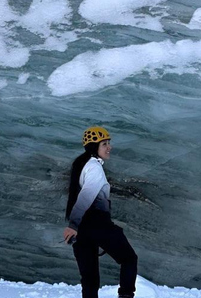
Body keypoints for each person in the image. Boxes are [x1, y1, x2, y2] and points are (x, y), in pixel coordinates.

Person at [63, 126, 138, 298]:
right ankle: (126, 295)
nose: (109, 147)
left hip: (83, 230)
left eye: (109, 143)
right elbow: (86, 197)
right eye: (104, 144)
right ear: (93, 146)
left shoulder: (80, 164)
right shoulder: (94, 168)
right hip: (97, 225)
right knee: (129, 259)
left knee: (90, 280)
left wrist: (75, 226)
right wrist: (73, 225)